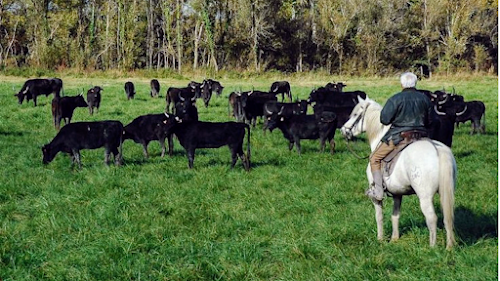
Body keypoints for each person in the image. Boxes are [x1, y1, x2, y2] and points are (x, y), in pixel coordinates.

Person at [366, 72, 436, 201]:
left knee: (375, 158)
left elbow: (384, 120)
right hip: (422, 136)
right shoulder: (425, 99)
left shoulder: (395, 99)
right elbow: (432, 121)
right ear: (415, 83)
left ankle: (378, 191)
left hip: (400, 137)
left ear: (402, 84)